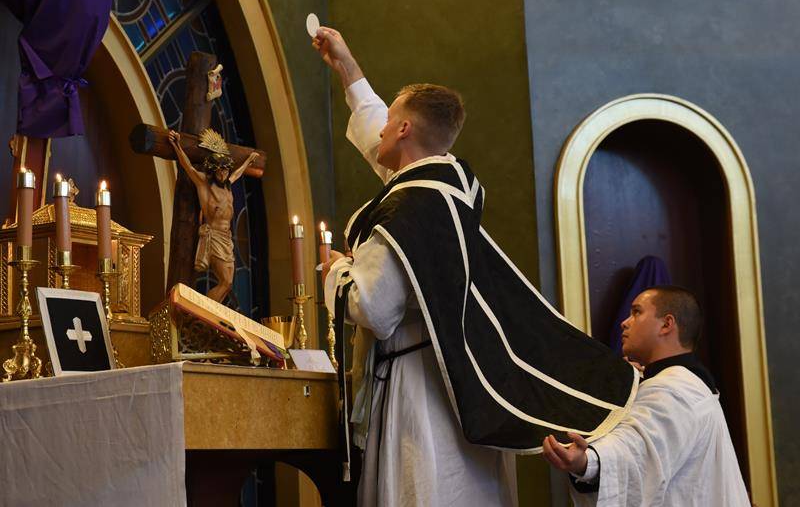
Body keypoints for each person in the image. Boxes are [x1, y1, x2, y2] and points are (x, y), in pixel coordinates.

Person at [313, 26, 640, 507]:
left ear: (404, 129)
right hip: (463, 386)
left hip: (418, 393)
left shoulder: (408, 208)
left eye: (390, 122)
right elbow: (395, 157)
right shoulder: (448, 190)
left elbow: (376, 309)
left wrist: (336, 271)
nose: (380, 129)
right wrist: (348, 69)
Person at [542, 286, 751, 506]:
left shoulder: (674, 387)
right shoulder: (685, 382)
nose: (625, 322)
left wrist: (586, 461)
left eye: (636, 312)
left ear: (666, 324)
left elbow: (635, 450)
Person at [168, 129, 259, 302]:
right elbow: (187, 166)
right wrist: (176, 144)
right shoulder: (204, 184)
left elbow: (237, 173)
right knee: (225, 281)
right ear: (213, 170)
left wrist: (248, 161)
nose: (223, 174)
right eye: (220, 171)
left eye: (225, 171)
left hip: (227, 238)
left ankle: (213, 312)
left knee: (229, 283)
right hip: (214, 237)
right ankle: (204, 310)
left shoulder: (228, 186)